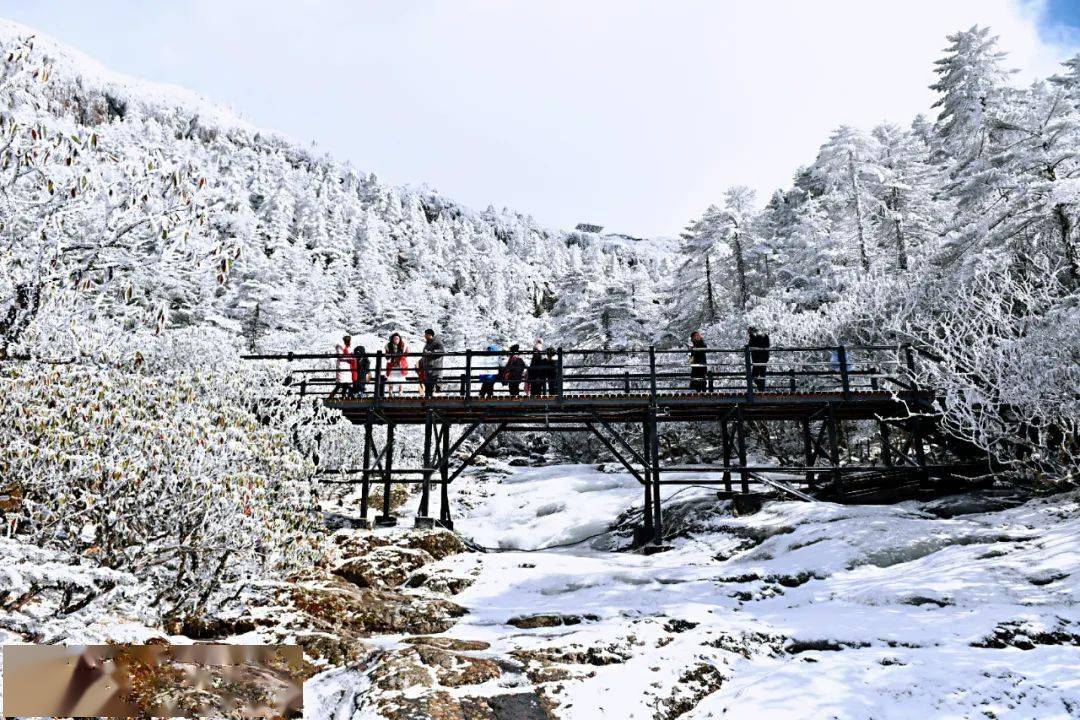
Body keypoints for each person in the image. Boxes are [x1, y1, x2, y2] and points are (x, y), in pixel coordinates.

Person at [418, 328, 445, 398]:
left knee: (435, 385)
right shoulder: (427, 344)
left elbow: (442, 351)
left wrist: (432, 352)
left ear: (430, 335)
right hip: (427, 368)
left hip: (435, 367)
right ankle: (428, 401)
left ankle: (434, 403)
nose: (425, 336)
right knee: (428, 385)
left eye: (426, 334)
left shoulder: (438, 342)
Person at [384, 332, 408, 397]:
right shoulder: (388, 346)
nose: (396, 340)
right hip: (392, 366)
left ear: (399, 339)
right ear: (392, 339)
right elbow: (386, 357)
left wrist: (406, 351)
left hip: (400, 366)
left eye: (397, 338)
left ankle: (400, 393)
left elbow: (406, 355)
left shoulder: (403, 346)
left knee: (401, 379)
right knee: (391, 379)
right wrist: (390, 356)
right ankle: (390, 393)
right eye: (394, 338)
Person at [748, 326, 771, 391]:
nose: (748, 334)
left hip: (757, 359)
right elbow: (768, 346)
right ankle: (762, 390)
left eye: (749, 332)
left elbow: (750, 345)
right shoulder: (765, 335)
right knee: (762, 375)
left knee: (753, 376)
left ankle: (760, 387)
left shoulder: (753, 336)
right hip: (764, 358)